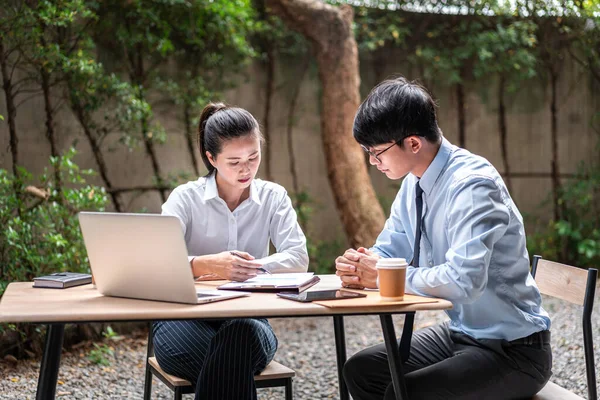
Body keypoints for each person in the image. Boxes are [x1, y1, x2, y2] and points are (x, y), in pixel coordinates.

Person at [335, 77, 552, 400]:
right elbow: (391, 247)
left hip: (513, 350)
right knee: (362, 371)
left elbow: (464, 281)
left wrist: (383, 275)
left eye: (376, 152)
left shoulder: (473, 185)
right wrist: (361, 263)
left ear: (413, 143)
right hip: (461, 334)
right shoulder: (414, 183)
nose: (372, 161)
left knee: (403, 392)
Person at [153, 102, 309, 400]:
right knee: (231, 364)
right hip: (182, 319)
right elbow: (158, 261)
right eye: (234, 161)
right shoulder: (185, 199)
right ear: (211, 158)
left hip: (248, 320)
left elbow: (298, 257)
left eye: (253, 157)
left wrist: (250, 269)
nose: (246, 169)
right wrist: (204, 264)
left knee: (235, 342)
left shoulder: (274, 197)